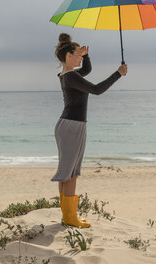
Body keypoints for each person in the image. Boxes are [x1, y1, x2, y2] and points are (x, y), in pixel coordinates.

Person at [51, 33, 127, 228]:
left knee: (70, 171)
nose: (80, 58)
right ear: (68, 56)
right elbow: (97, 89)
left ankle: (68, 215)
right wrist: (118, 73)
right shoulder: (70, 77)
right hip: (71, 127)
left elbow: (87, 69)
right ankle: (69, 217)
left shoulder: (68, 75)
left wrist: (87, 55)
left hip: (71, 126)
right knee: (70, 173)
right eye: (77, 54)